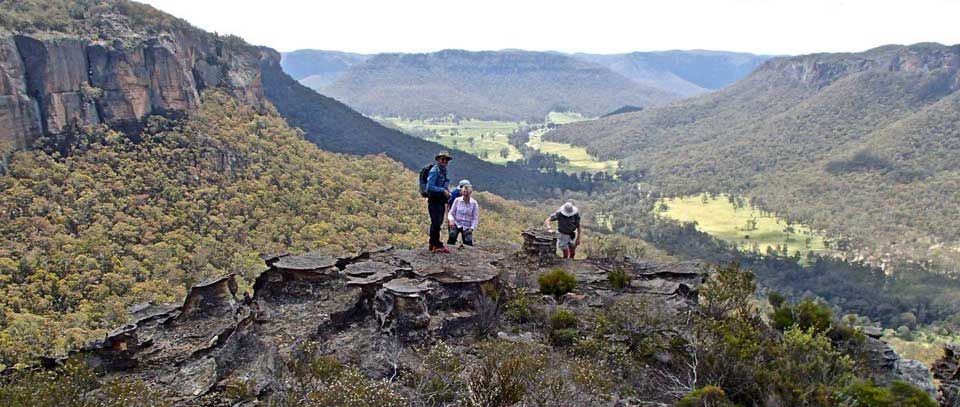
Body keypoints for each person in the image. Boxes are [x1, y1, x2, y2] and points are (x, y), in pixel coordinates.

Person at [426, 151, 453, 253]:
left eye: (446, 159)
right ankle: (434, 243)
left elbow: (444, 185)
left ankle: (435, 243)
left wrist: (448, 192)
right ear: (438, 160)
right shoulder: (434, 171)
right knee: (436, 222)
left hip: (440, 200)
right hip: (434, 200)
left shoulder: (443, 171)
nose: (444, 161)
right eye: (442, 159)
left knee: (439, 221)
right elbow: (430, 186)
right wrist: (443, 191)